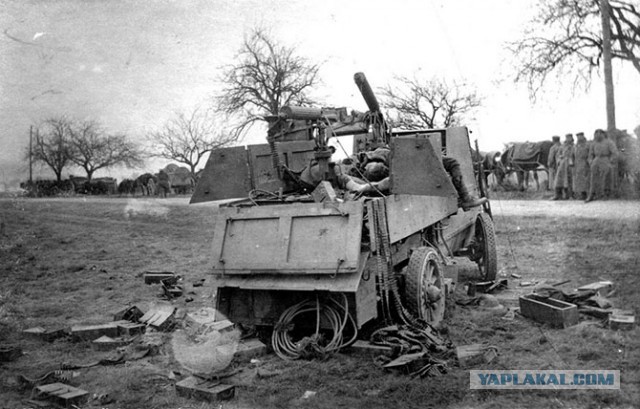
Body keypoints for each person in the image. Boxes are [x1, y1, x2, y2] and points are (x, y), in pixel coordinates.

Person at [339, 146, 487, 210]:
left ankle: (465, 198)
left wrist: (364, 187)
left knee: (451, 164)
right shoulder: (369, 163)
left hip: (401, 184)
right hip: (378, 187)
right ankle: (465, 198)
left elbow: (390, 181)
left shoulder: (402, 161)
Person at [586, 129, 618, 203]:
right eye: (596, 134)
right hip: (596, 160)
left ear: (603, 134)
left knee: (605, 177)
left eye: (599, 133)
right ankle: (592, 194)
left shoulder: (609, 142)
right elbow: (590, 154)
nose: (597, 135)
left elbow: (614, 153)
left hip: (605, 159)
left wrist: (611, 161)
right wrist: (591, 162)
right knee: (593, 178)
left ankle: (605, 194)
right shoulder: (593, 143)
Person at [552, 134, 575, 200]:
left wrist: (572, 161)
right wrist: (559, 160)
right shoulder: (562, 147)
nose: (568, 140)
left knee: (569, 180)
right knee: (559, 180)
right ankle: (557, 195)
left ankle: (570, 195)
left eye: (570, 138)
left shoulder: (574, 147)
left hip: (570, 165)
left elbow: (575, 156)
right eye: (567, 138)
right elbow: (558, 155)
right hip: (562, 165)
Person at [572, 132, 590, 200]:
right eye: (578, 137)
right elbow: (572, 155)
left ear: (583, 136)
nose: (579, 138)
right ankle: (581, 194)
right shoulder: (576, 146)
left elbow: (590, 154)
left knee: (585, 179)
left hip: (584, 163)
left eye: (580, 136)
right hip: (577, 164)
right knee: (578, 180)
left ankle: (587, 194)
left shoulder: (587, 145)